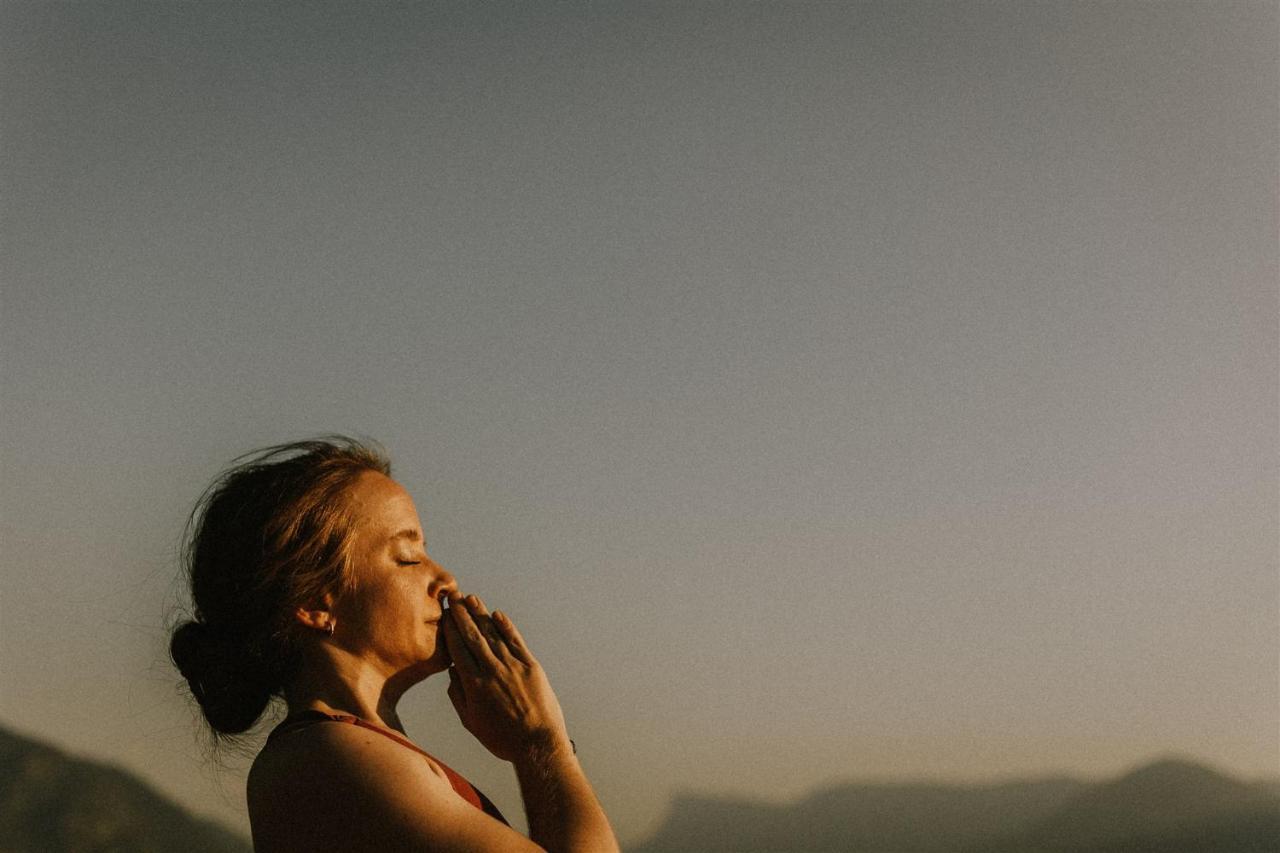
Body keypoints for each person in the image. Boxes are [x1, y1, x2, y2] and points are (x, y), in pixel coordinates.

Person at [169, 437, 619, 852]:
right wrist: (543, 746)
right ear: (313, 603)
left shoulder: (342, 753)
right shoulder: (328, 760)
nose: (445, 579)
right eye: (409, 557)